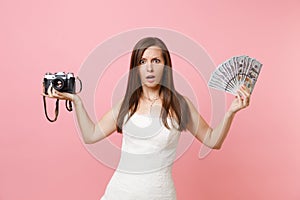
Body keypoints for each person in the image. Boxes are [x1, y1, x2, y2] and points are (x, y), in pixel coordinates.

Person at [43, 37, 250, 200]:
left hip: (160, 195)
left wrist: (231, 111)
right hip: (119, 194)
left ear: (166, 65)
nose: (149, 68)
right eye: (143, 61)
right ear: (136, 67)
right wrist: (77, 102)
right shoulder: (127, 104)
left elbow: (213, 141)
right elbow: (91, 135)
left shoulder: (180, 104)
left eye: (156, 61)